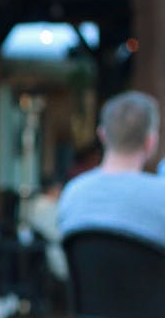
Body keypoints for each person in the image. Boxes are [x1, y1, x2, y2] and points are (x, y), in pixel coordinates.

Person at [58, 90, 165, 250]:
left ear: (102, 135)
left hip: (89, 276)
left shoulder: (73, 193)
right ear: (150, 142)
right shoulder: (160, 196)